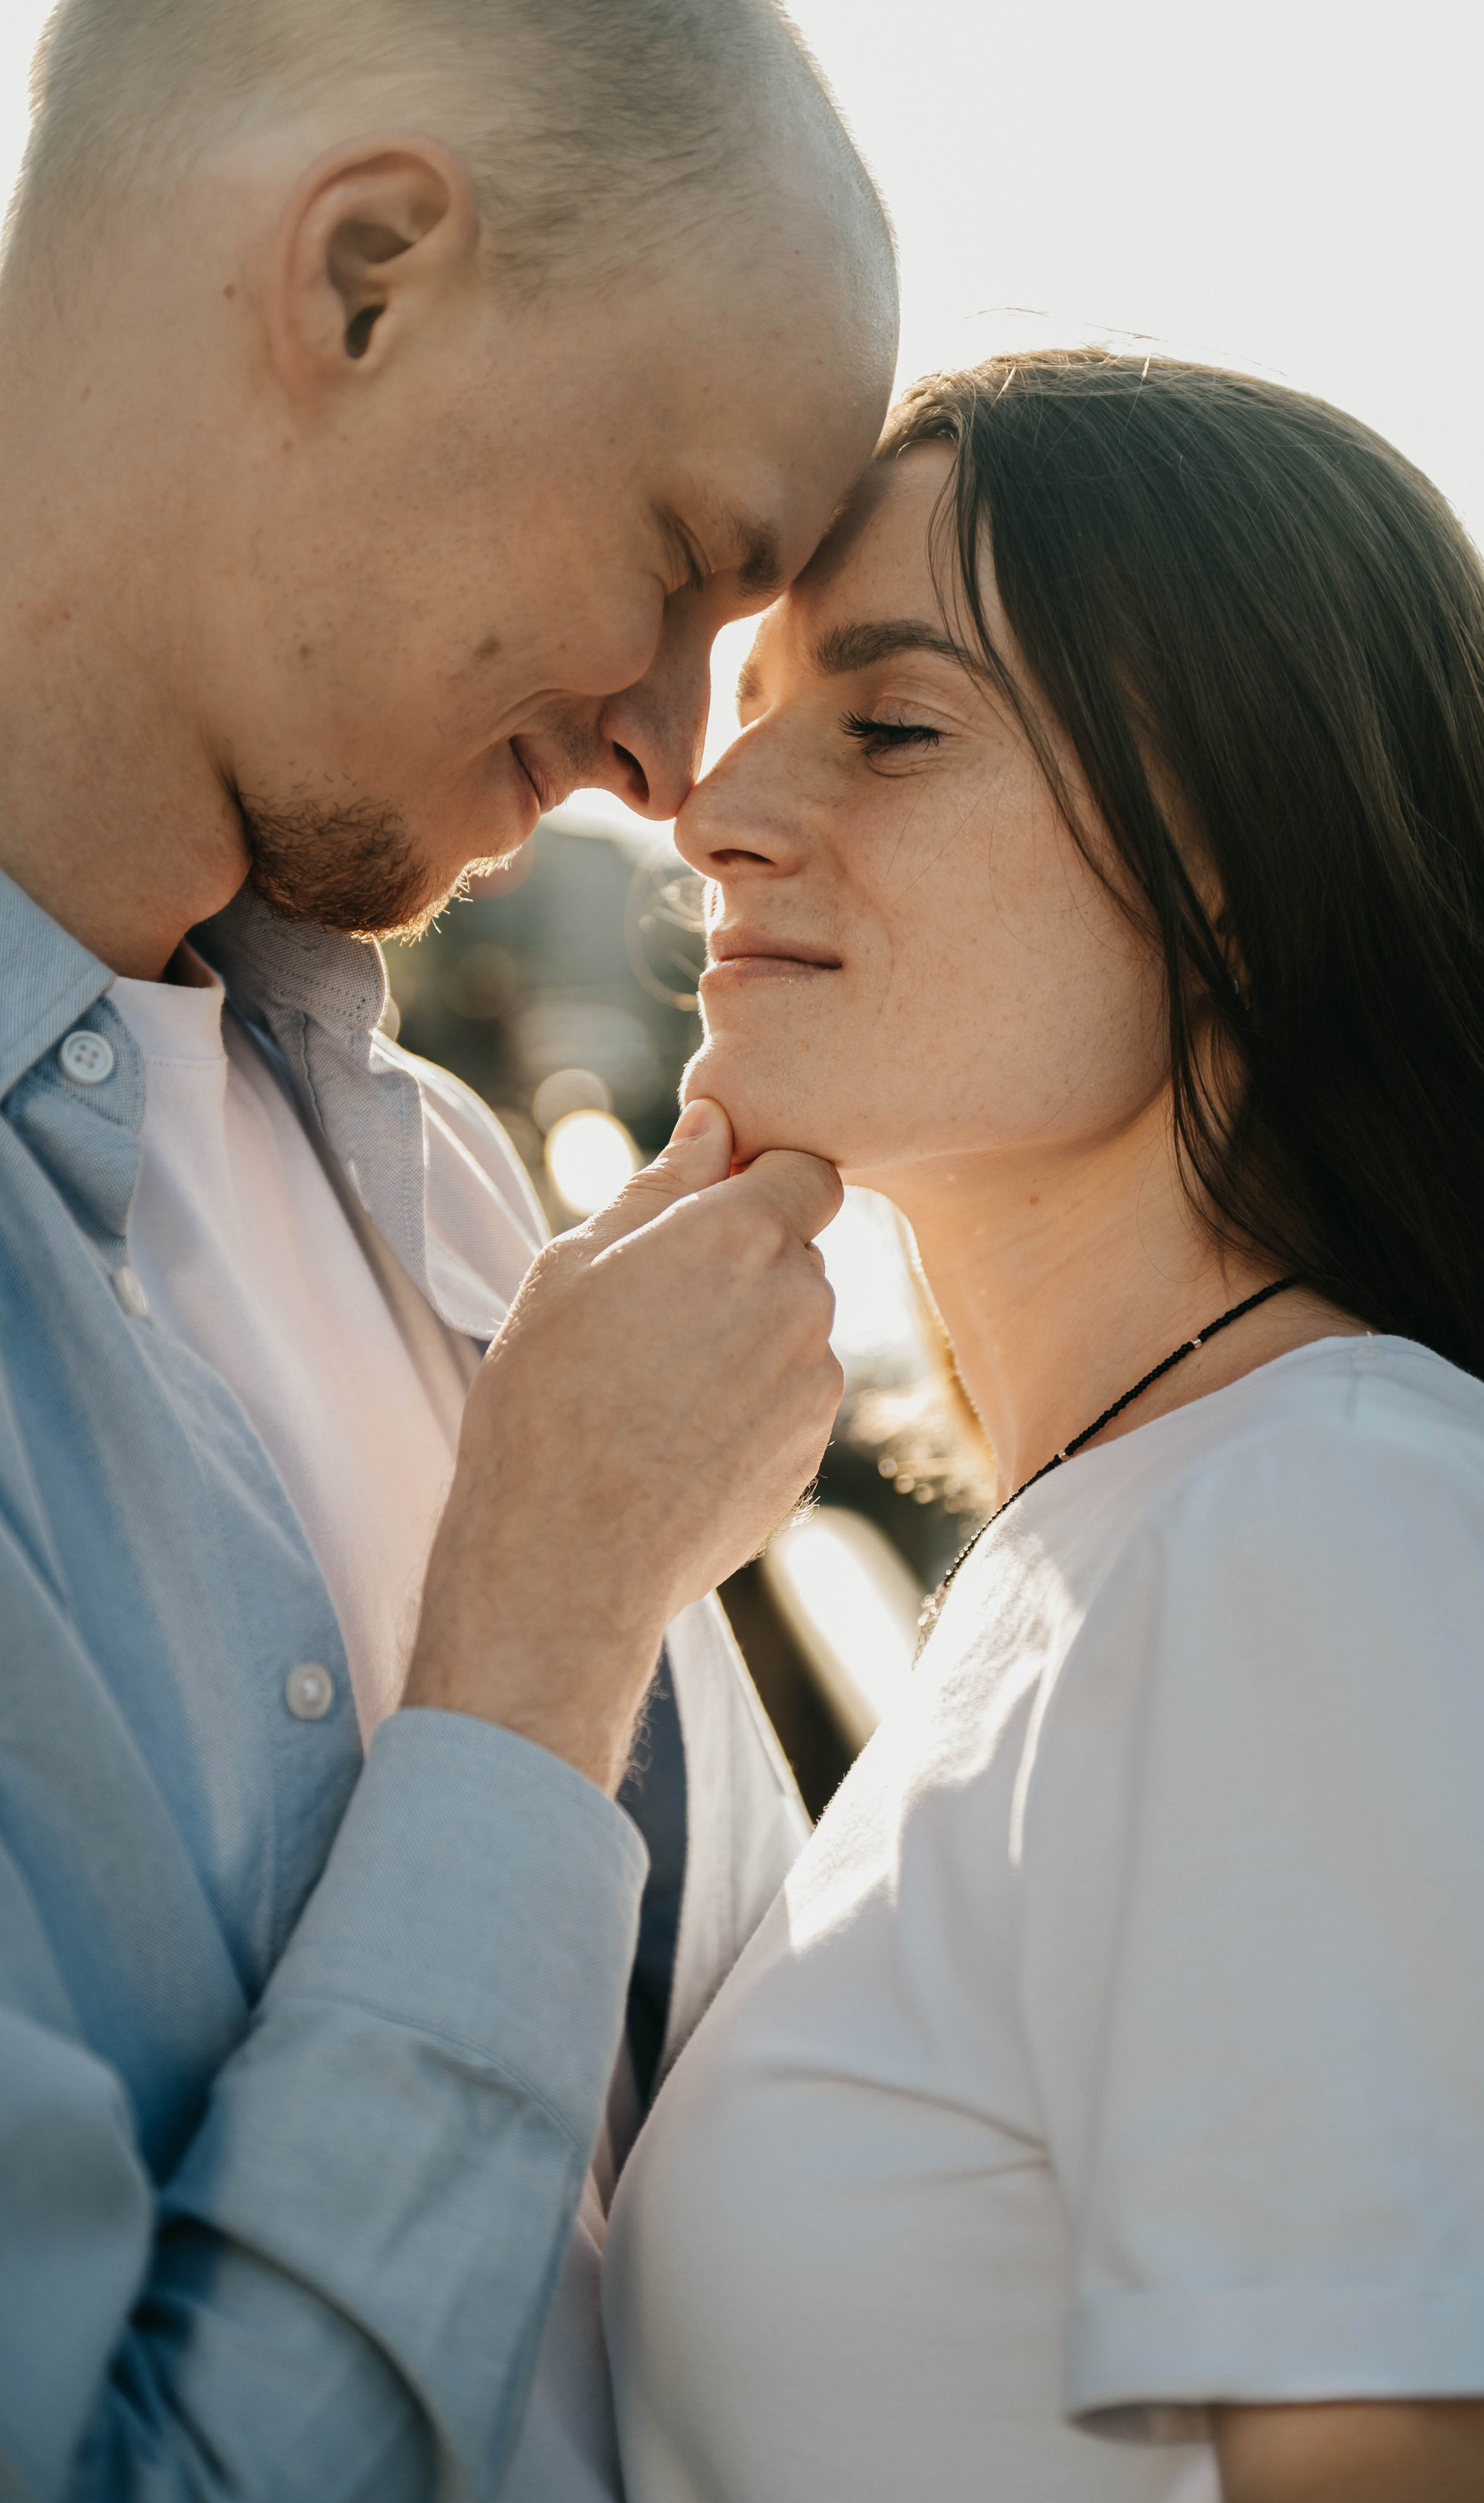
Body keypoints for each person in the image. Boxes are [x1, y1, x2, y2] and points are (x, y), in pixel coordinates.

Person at [603, 352, 1484, 2501]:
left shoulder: (1336, 1542)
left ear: (1253, 863)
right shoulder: (1148, 1544)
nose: (709, 815)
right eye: (754, 721)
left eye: (893, 728)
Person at [0, 0, 897, 2495]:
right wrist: (535, 1650)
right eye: (682, 560)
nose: (678, 761)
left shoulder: (452, 1196)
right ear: (365, 277)